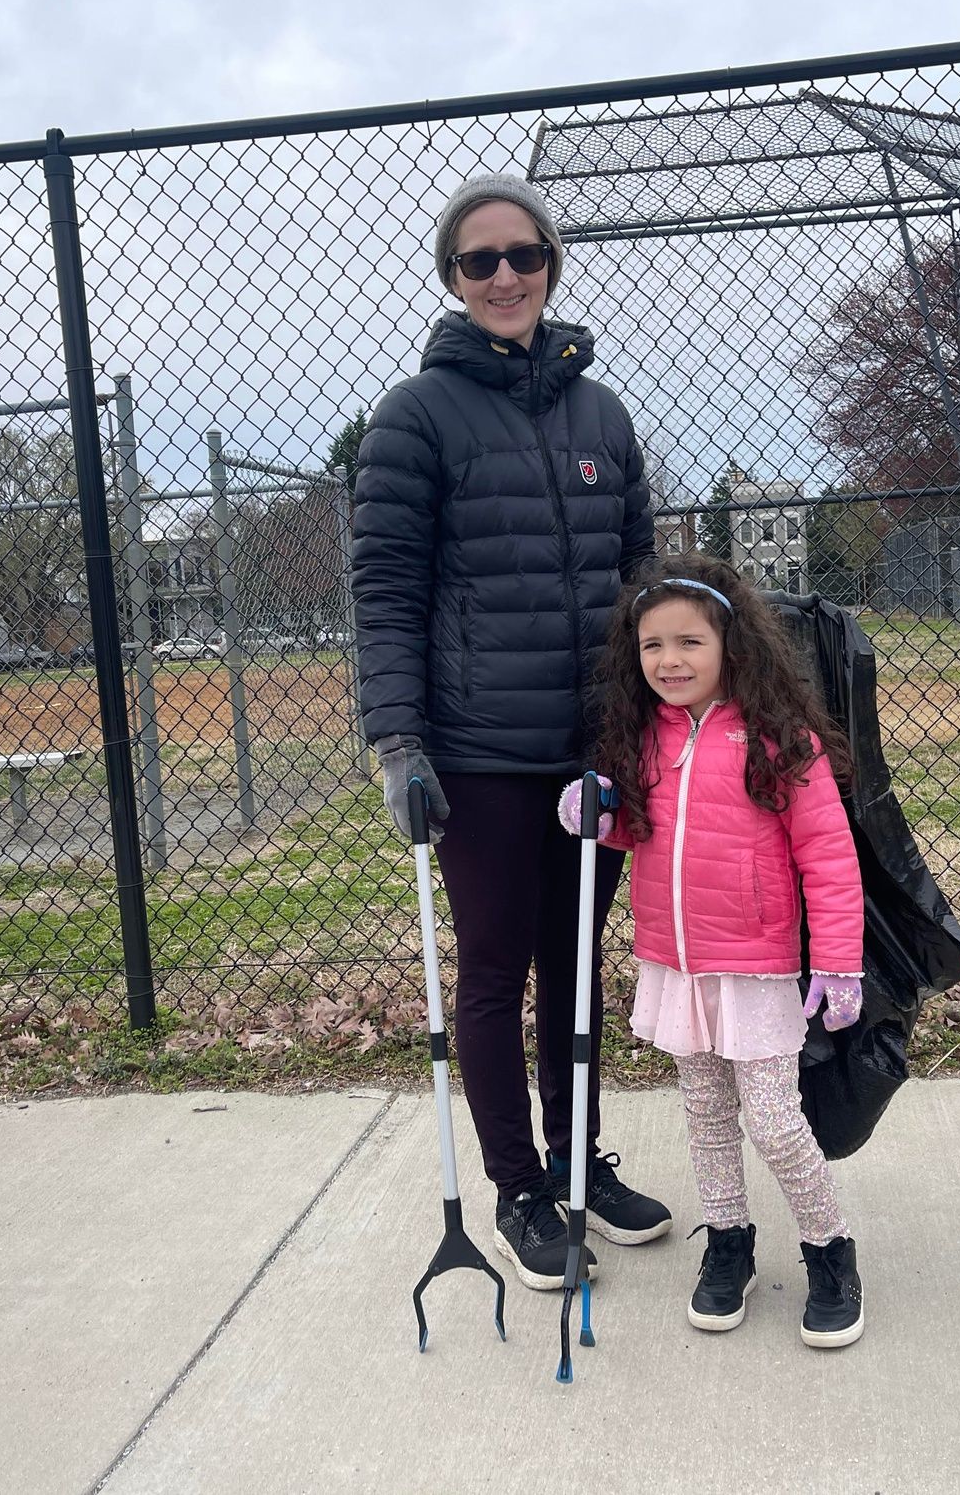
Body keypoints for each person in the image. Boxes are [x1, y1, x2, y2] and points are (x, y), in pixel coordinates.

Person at [350, 173, 672, 1291]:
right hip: (479, 755)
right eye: (478, 260)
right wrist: (398, 743)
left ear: (550, 266)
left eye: (521, 256)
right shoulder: (414, 418)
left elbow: (642, 583)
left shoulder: (605, 415)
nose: (503, 277)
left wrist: (650, 722)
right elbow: (385, 591)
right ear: (450, 278)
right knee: (493, 972)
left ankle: (578, 1158)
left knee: (574, 970)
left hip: (590, 750)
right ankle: (518, 1189)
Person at [559, 552, 867, 1348]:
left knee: (770, 1118)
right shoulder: (643, 739)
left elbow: (828, 854)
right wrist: (595, 813)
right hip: (677, 961)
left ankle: (830, 1249)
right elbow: (636, 828)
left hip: (756, 964)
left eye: (690, 642)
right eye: (653, 645)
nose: (669, 661)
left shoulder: (776, 739)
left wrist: (837, 957)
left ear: (732, 643)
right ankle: (728, 1242)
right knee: (704, 1114)